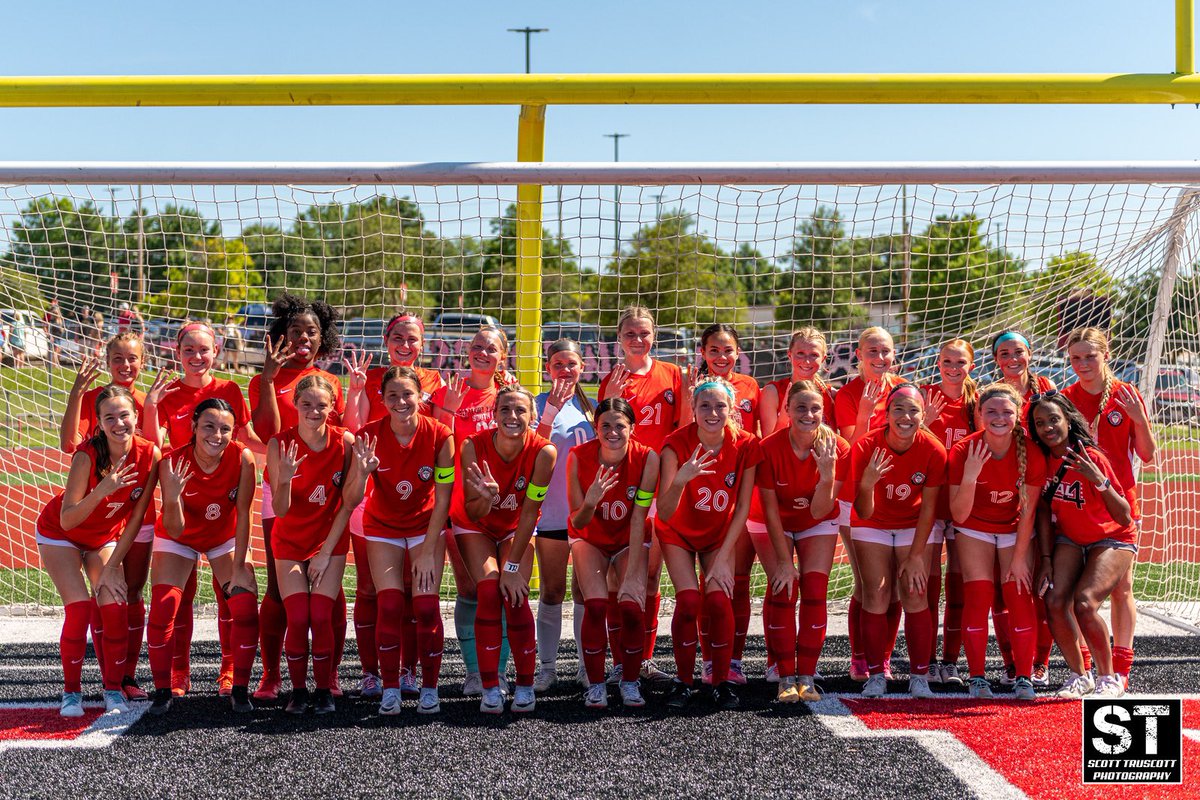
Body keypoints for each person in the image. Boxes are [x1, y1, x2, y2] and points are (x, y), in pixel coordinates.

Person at [142, 321, 257, 696]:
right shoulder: (167, 395)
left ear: (217, 351)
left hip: (221, 516)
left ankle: (229, 672)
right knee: (173, 600)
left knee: (236, 597)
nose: (196, 356)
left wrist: (284, 451)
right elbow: (150, 444)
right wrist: (150, 406)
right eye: (188, 349)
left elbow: (246, 437)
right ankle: (177, 673)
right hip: (181, 507)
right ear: (176, 352)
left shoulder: (228, 392)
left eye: (204, 349)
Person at [36, 385, 159, 717]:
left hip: (103, 538)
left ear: (136, 416)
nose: (119, 423)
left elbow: (136, 518)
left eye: (124, 415)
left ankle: (112, 688)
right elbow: (69, 517)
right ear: (100, 424)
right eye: (109, 418)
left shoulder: (150, 454)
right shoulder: (87, 455)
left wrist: (111, 566)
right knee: (78, 608)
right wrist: (104, 488)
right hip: (60, 533)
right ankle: (71, 692)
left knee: (115, 602)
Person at [248, 294, 345, 701]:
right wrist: (270, 380)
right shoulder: (262, 379)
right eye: (295, 331)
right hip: (283, 490)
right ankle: (272, 675)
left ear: (323, 339)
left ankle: (331, 674)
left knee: (329, 589)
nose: (303, 338)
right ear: (280, 336)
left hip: (326, 496)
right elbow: (268, 431)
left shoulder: (331, 383)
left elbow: (338, 439)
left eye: (311, 332)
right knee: (277, 588)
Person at [343, 312, 446, 698]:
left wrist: (448, 403)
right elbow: (356, 432)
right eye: (398, 337)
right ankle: (372, 672)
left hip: (419, 500)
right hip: (373, 490)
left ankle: (408, 671)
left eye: (413, 338)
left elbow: (432, 439)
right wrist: (354, 392)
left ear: (424, 343)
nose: (405, 345)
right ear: (386, 341)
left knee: (412, 591)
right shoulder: (369, 378)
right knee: (371, 590)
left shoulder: (436, 380)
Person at [58, 334, 156, 700]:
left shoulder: (147, 402)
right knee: (105, 591)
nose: (125, 365)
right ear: (108, 361)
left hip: (136, 512)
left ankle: (126, 675)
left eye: (132, 358)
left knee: (130, 591)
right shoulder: (96, 399)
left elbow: (157, 453)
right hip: (100, 515)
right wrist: (75, 394)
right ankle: (108, 677)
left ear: (142, 362)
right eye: (118, 358)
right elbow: (70, 444)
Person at [354, 366, 455, 715]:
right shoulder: (367, 435)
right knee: (391, 605)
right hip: (383, 526)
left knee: (425, 606)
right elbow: (353, 496)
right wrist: (362, 472)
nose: (400, 401)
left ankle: (429, 687)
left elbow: (444, 498)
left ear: (420, 397)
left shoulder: (440, 434)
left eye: (407, 394)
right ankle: (391, 688)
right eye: (392, 395)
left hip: (426, 526)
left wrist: (428, 551)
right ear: (381, 399)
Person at [657, 377, 761, 710]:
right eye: (705, 405)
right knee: (688, 601)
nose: (712, 412)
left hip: (719, 534)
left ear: (732, 410)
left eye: (720, 406)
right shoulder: (676, 444)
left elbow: (743, 507)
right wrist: (680, 480)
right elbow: (664, 510)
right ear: (693, 408)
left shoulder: (745, 444)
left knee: (718, 600)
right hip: (678, 532)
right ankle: (683, 681)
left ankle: (721, 680)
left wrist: (721, 559)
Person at [450, 386, 556, 714]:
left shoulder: (544, 452)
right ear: (494, 415)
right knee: (487, 589)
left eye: (520, 411)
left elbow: (529, 513)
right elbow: (473, 511)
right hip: (476, 525)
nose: (512, 417)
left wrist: (511, 568)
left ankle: (524, 685)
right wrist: (486, 495)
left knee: (516, 594)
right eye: (505, 410)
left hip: (515, 528)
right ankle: (490, 685)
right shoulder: (471, 446)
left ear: (533, 416)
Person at [597, 306, 688, 686]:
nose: (638, 340)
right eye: (630, 334)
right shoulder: (612, 381)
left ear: (655, 336)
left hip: (661, 487)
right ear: (619, 339)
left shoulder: (672, 375)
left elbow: (683, 427)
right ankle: (620, 660)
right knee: (620, 579)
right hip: (624, 486)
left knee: (650, 579)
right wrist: (612, 397)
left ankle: (645, 659)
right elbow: (601, 436)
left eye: (644, 333)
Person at [1062, 327, 1156, 691]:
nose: (1083, 364)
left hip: (1119, 505)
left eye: (1090, 356)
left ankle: (1120, 671)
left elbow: (1146, 455)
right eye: (1076, 358)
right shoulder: (1066, 399)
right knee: (1071, 592)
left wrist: (1139, 418)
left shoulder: (1125, 395)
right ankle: (1086, 670)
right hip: (1077, 504)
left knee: (1122, 589)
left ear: (1106, 355)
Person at [1027, 392, 1135, 699]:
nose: (1047, 427)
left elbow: (1124, 516)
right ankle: (1079, 674)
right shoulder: (1042, 459)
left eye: (1053, 419)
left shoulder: (1091, 457)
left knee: (1085, 603)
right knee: (1053, 599)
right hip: (1071, 539)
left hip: (1112, 537)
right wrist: (1046, 559)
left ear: (1068, 420)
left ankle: (1108, 677)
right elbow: (1045, 511)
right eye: (1040, 423)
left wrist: (1098, 479)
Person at [428, 326, 513, 696]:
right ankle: (475, 671)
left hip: (506, 507)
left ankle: (501, 669)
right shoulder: (449, 392)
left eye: (490, 348)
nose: (482, 352)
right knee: (470, 589)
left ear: (502, 357)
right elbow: (436, 444)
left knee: (504, 591)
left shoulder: (509, 394)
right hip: (461, 509)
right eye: (476, 346)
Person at [847, 384, 945, 699]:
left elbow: (929, 508)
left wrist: (917, 557)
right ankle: (876, 675)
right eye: (898, 409)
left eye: (913, 410)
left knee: (915, 593)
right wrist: (868, 483)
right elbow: (863, 510)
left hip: (913, 525)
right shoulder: (865, 447)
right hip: (872, 522)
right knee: (876, 594)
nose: (905, 416)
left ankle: (919, 677)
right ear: (886, 414)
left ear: (922, 415)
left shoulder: (933, 450)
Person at [949, 382, 1045, 701]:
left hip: (1014, 529)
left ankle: (1023, 677)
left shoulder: (1030, 451)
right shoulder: (965, 450)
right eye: (991, 411)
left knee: (1018, 594)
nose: (999, 417)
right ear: (979, 414)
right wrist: (971, 475)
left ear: (1018, 415)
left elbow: (1028, 512)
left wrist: (1019, 558)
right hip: (974, 527)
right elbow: (959, 516)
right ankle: (977, 677)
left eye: (1007, 411)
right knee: (978, 594)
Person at [752, 380, 847, 702]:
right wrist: (782, 561)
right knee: (783, 586)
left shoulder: (837, 447)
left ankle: (806, 674)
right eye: (801, 407)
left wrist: (827, 474)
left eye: (816, 408)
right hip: (772, 520)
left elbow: (821, 509)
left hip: (815, 520)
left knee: (816, 590)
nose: (809, 414)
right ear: (787, 410)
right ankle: (783, 674)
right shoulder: (768, 447)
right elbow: (769, 509)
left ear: (824, 411)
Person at [268, 375, 357, 715]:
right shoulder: (280, 444)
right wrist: (286, 479)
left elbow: (348, 503)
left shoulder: (344, 441)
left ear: (333, 407)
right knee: (298, 615)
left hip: (329, 542)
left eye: (322, 405)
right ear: (295, 405)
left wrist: (323, 553)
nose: (314, 411)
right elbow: (280, 510)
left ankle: (323, 690)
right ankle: (298, 691)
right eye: (306, 404)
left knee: (320, 616)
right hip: (289, 540)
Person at [567, 397, 659, 709]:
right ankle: (595, 685)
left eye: (620, 425)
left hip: (628, 538)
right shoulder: (578, 457)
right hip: (590, 537)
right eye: (605, 425)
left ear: (632, 428)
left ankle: (630, 682)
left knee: (632, 605)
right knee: (595, 606)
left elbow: (638, 516)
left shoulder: (647, 458)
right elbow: (577, 520)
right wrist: (591, 500)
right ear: (596, 428)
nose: (612, 431)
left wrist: (633, 573)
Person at [834, 326, 907, 681]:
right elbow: (851, 451)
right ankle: (860, 657)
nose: (880, 358)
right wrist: (864, 413)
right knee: (866, 583)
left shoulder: (904, 390)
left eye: (886, 352)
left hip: (900, 499)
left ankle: (885, 657)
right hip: (857, 498)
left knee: (894, 585)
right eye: (872, 352)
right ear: (859, 356)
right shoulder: (847, 393)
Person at [991, 328, 1057, 683]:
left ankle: (1040, 662)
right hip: (1002, 499)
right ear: (996, 360)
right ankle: (1012, 662)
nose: (1012, 359)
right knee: (1004, 588)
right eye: (1004, 354)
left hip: (1043, 495)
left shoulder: (1046, 389)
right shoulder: (990, 395)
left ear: (1030, 353)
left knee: (1038, 584)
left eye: (1018, 352)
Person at [694, 324, 759, 684]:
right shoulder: (692, 387)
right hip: (701, 494)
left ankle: (733, 658)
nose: (721, 356)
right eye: (714, 350)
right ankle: (708, 658)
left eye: (728, 350)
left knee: (737, 580)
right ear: (702, 352)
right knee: (708, 582)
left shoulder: (750, 386)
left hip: (738, 490)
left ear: (738, 353)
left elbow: (759, 435)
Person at [532, 339, 595, 691]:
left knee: (585, 591)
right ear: (547, 368)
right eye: (558, 364)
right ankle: (548, 667)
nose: (565, 370)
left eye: (571, 363)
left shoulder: (595, 408)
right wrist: (550, 413)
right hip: (552, 515)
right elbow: (532, 450)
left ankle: (587, 666)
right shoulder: (536, 404)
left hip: (586, 516)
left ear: (582, 367)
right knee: (552, 591)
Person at [920, 338, 978, 686]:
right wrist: (925, 421)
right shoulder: (924, 396)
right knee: (927, 583)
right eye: (947, 361)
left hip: (964, 503)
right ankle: (925, 658)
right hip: (928, 502)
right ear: (938, 363)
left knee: (959, 583)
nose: (954, 368)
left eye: (961, 362)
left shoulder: (977, 402)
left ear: (972, 365)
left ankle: (951, 660)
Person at [758, 327, 838, 434]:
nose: (807, 361)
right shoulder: (773, 392)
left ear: (823, 359)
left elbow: (834, 439)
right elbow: (767, 446)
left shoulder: (831, 394)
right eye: (800, 353)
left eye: (814, 355)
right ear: (790, 355)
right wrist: (784, 415)